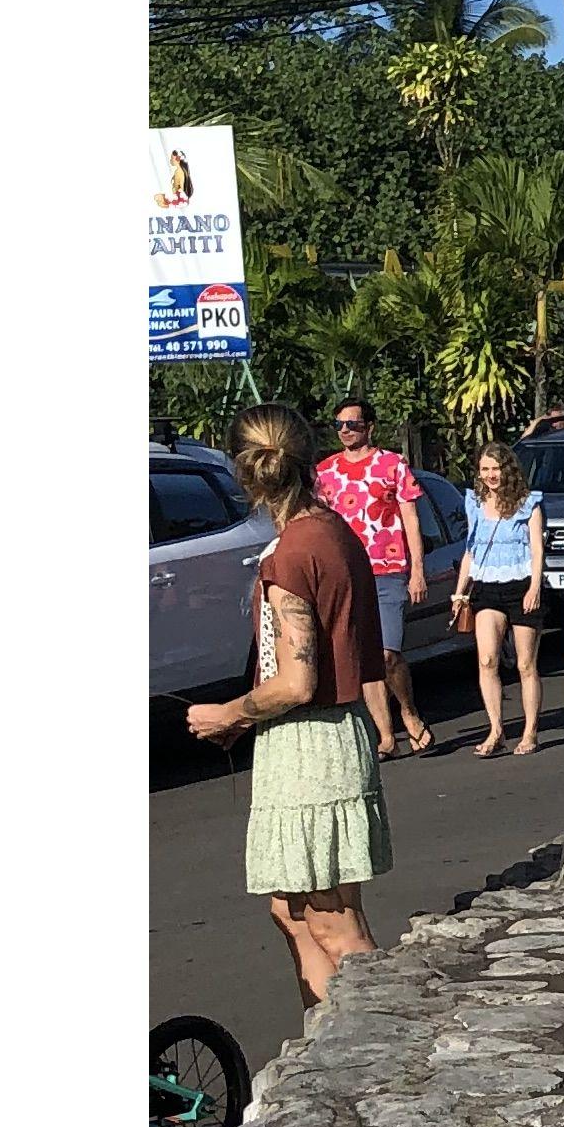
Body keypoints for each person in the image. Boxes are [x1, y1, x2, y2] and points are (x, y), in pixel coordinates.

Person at [184, 403, 393, 1013]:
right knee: (291, 911)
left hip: (313, 744)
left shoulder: (292, 555)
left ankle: (382, 1044)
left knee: (334, 923)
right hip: (313, 738)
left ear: (243, 472)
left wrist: (229, 712)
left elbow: (298, 680)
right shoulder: (328, 529)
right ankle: (325, 1050)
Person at [315, 398, 439, 756]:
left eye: (352, 424)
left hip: (388, 571)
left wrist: (418, 571)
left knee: (387, 654)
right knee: (363, 657)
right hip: (346, 573)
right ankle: (386, 736)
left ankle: (410, 714)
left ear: (369, 426)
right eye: (339, 424)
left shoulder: (393, 465)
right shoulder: (325, 472)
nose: (345, 431)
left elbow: (411, 519)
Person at [451, 436, 549, 754]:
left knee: (524, 664)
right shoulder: (476, 504)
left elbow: (537, 549)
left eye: (495, 468)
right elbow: (471, 550)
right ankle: (496, 730)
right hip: (486, 585)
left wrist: (535, 587)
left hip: (521, 584)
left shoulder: (528, 504)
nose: (490, 475)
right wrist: (459, 592)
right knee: (487, 659)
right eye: (484, 469)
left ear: (507, 470)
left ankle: (530, 731)